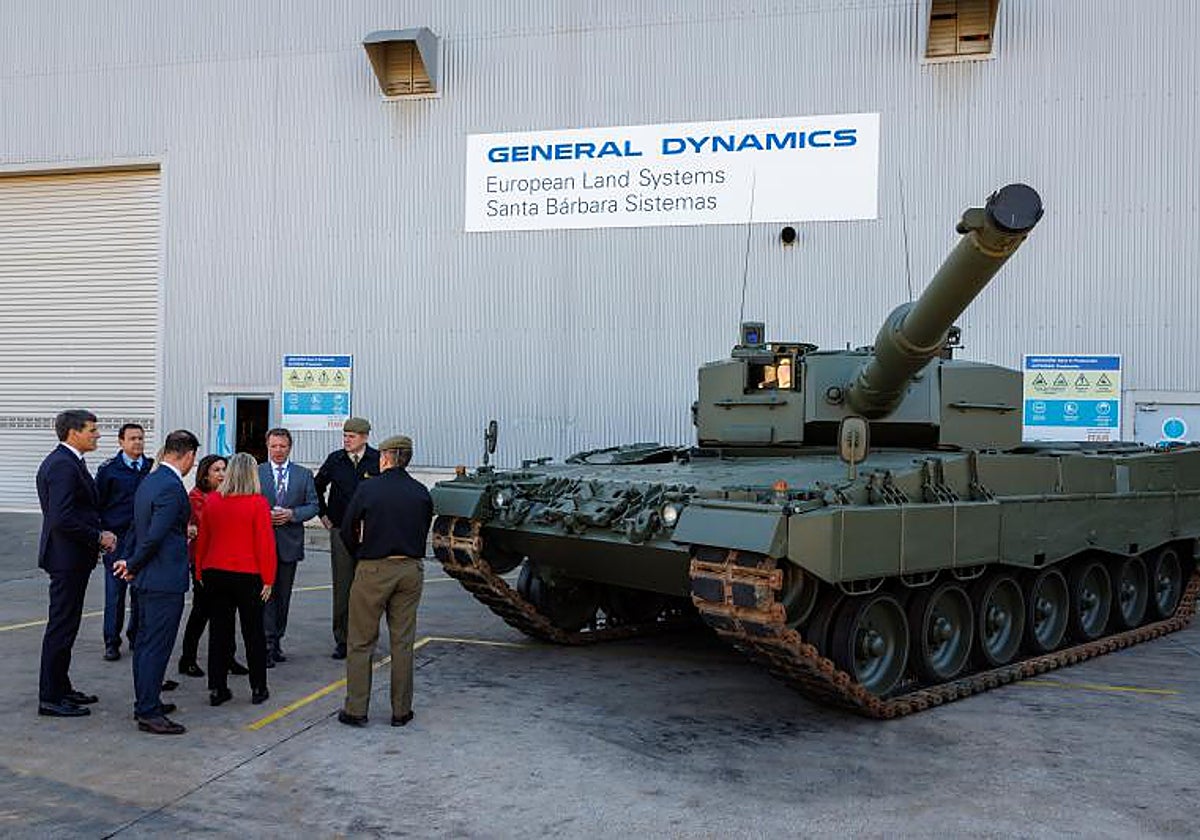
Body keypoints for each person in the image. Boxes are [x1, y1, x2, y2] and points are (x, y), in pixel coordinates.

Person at [337, 435, 432, 728]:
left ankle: (356, 709)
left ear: (387, 458)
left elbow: (347, 529)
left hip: (374, 569)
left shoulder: (369, 488)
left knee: (361, 641)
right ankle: (401, 710)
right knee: (402, 642)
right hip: (410, 570)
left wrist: (362, 553)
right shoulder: (421, 492)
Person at [113, 429, 199, 735]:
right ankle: (148, 711)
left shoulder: (150, 480)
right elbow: (156, 534)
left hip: (147, 575)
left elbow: (138, 528)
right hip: (163, 579)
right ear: (188, 455)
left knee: (146, 644)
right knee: (156, 646)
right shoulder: (172, 488)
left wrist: (130, 561)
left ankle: (147, 701)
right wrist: (133, 562)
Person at [36, 410, 117, 718]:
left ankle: (61, 686)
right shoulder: (62, 466)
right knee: (61, 626)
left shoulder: (71, 463)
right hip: (65, 558)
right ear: (73, 432)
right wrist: (98, 537)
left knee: (67, 625)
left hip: (73, 557)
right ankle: (50, 697)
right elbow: (62, 518)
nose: (97, 435)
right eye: (92, 430)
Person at [194, 452, 276, 707]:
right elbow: (265, 544)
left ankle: (217, 688)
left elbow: (203, 539)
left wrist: (199, 570)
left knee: (219, 632)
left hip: (214, 572)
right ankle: (258, 687)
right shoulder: (257, 503)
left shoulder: (213, 501)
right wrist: (269, 578)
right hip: (248, 573)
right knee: (253, 633)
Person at [315, 417, 380, 659]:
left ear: (364, 437)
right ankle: (342, 639)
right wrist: (323, 514)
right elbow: (316, 486)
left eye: (351, 436)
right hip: (341, 530)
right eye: (344, 436)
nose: (346, 440)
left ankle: (365, 638)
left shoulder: (377, 460)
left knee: (369, 589)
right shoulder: (336, 459)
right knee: (343, 587)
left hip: (370, 533)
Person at [177, 455, 248, 678]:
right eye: (216, 470)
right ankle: (187, 658)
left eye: (224, 469)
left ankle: (228, 657)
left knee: (227, 613)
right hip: (204, 562)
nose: (221, 474)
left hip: (226, 563)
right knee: (201, 611)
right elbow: (210, 523)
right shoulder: (197, 497)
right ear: (205, 474)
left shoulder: (229, 495)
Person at [258, 428, 319, 667]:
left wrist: (293, 514)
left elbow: (313, 505)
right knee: (264, 595)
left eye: (282, 446)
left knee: (282, 596)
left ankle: (277, 639)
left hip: (289, 544)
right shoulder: (257, 472)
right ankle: (266, 642)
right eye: (273, 446)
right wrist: (265, 516)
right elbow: (246, 501)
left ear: (289, 447)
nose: (278, 451)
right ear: (267, 447)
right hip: (261, 543)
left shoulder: (303, 475)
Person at [94, 423, 153, 661]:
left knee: (139, 593)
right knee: (115, 594)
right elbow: (97, 504)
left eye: (140, 438)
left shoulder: (150, 467)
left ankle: (136, 637)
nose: (137, 442)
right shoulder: (109, 470)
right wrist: (101, 537)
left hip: (142, 540)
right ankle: (111, 641)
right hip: (117, 540)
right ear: (121, 442)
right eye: (132, 439)